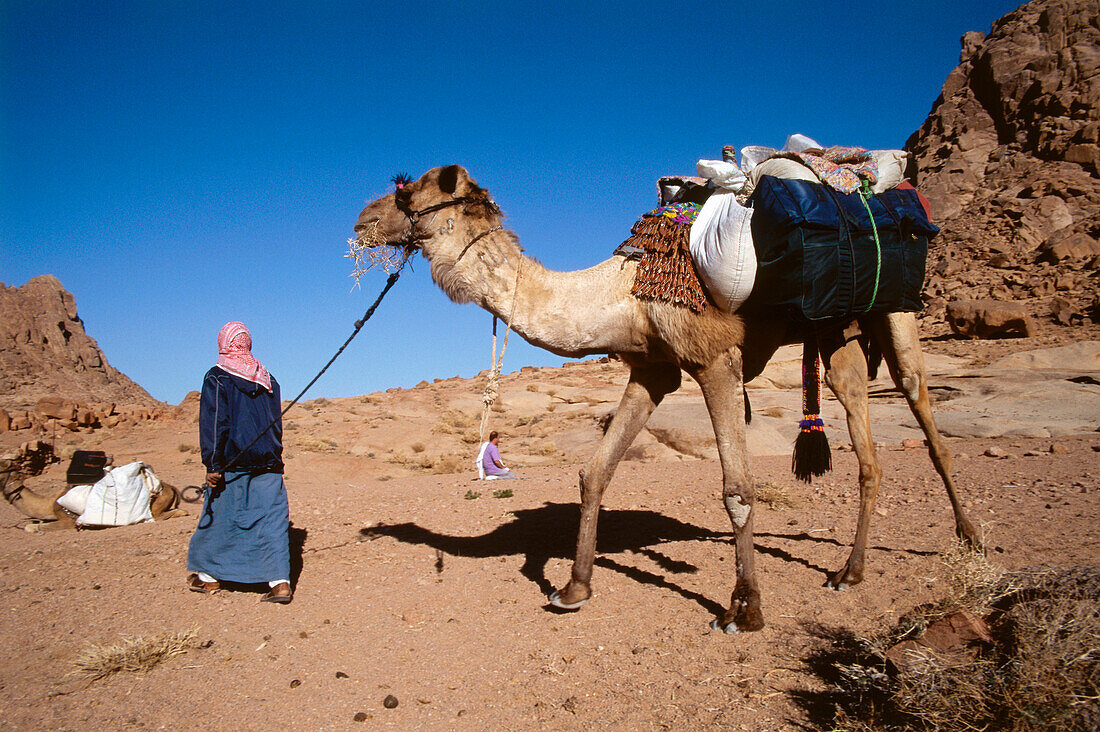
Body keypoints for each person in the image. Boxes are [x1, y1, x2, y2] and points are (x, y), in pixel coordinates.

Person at [186, 321, 292, 603]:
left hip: (232, 461)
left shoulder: (218, 377)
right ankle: (280, 583)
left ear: (224, 343)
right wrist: (274, 453)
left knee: (220, 516)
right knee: (271, 519)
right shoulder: (268, 379)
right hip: (268, 460)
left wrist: (212, 464)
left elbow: (215, 422)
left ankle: (208, 579)